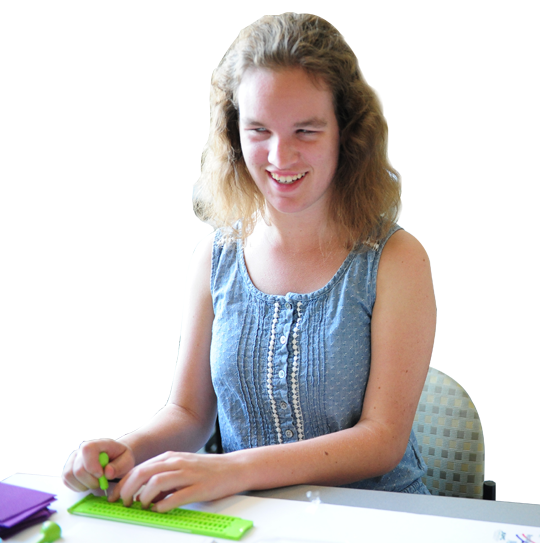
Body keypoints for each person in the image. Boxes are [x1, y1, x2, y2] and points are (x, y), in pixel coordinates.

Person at [62, 12, 436, 511]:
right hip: (248, 517)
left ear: (346, 133)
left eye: (305, 130)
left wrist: (233, 469)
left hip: (381, 516)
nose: (280, 156)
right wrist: (124, 452)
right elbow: (188, 413)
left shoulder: (396, 259)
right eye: (258, 129)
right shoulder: (214, 257)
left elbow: (382, 439)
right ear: (234, 133)